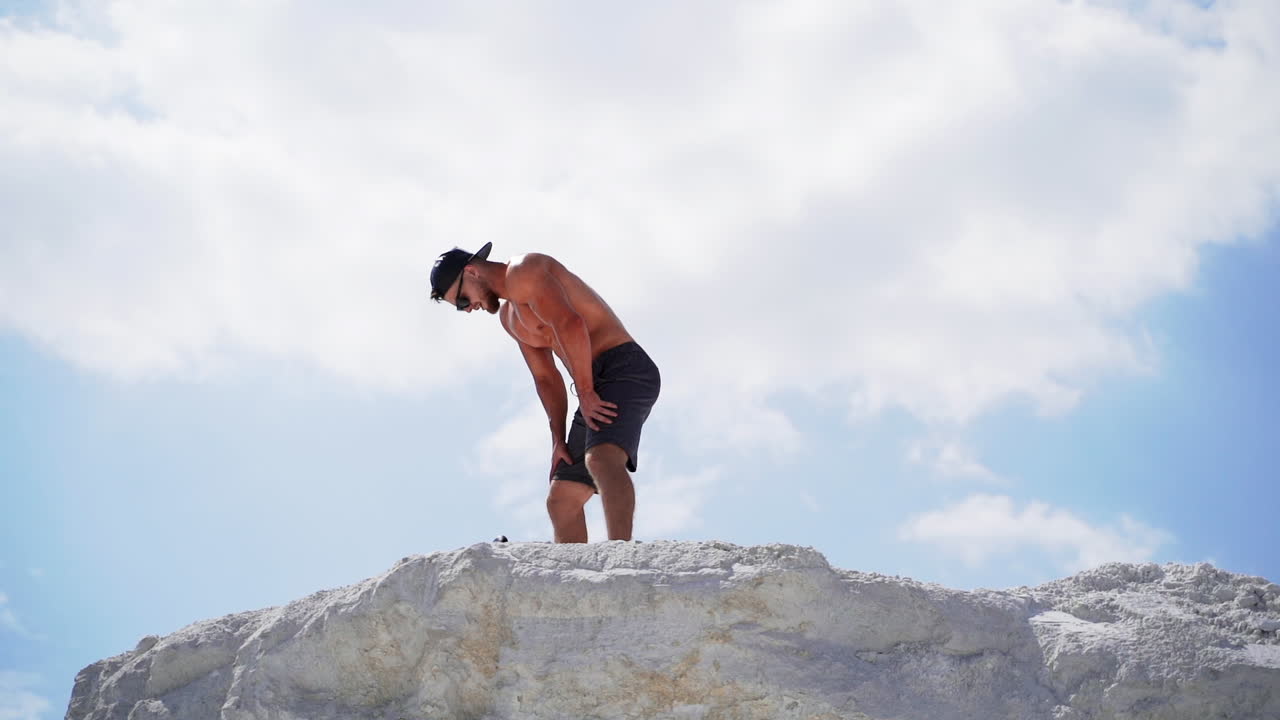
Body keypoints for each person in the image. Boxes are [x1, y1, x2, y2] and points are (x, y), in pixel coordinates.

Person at [430, 243, 660, 543]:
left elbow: (570, 323)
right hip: (590, 382)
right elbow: (546, 378)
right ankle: (575, 581)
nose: (468, 308)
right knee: (561, 498)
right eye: (461, 308)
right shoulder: (510, 318)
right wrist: (558, 439)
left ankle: (622, 557)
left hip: (621, 366)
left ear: (471, 271)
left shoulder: (525, 271)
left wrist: (587, 391)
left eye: (461, 300)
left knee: (602, 459)